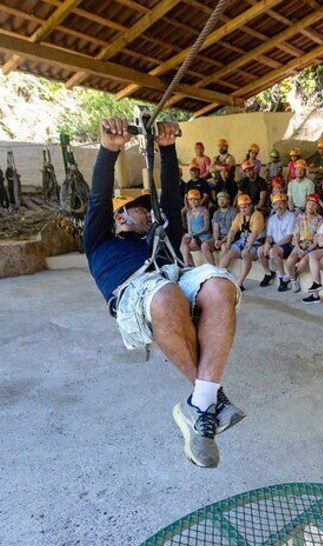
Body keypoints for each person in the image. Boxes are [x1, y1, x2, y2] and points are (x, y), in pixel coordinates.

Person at [84, 118, 242, 469]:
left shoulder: (160, 237)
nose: (144, 212)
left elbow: (170, 198)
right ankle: (210, 398)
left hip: (171, 276)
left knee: (220, 284)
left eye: (144, 209)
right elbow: (97, 198)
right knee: (166, 294)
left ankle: (200, 403)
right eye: (137, 209)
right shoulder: (99, 242)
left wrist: (168, 149)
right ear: (120, 216)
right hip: (136, 292)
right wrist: (109, 151)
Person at [219, 193, 265, 291]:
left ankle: (239, 283)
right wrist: (228, 243)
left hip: (255, 243)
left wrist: (247, 248)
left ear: (251, 206)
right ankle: (218, 276)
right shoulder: (240, 215)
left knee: (245, 255)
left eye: (245, 207)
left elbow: (255, 233)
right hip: (242, 241)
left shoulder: (257, 215)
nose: (243, 209)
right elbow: (232, 230)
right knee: (228, 252)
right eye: (241, 207)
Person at [283, 194, 323, 292]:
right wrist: (298, 247)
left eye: (313, 204)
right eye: (309, 203)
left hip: (311, 247)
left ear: (316, 206)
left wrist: (307, 250)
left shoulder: (319, 219)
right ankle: (293, 280)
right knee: (290, 262)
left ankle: (293, 275)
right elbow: (296, 234)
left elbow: (318, 239)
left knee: (302, 263)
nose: (311, 206)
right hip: (299, 244)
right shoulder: (300, 216)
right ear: (306, 204)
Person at [257, 193, 296, 288]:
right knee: (260, 251)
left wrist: (273, 246)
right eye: (275, 204)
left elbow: (289, 237)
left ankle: (283, 278)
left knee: (273, 252)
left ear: (286, 204)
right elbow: (269, 236)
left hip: (287, 245)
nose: (278, 206)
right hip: (275, 244)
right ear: (273, 206)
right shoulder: (272, 218)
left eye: (281, 203)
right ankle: (268, 273)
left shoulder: (291, 216)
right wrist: (267, 243)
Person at [202, 191, 237, 266]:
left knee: (224, 247)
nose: (221, 201)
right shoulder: (216, 213)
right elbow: (215, 229)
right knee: (204, 245)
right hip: (220, 238)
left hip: (231, 237)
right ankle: (213, 267)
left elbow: (233, 230)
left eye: (224, 199)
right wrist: (216, 239)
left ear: (228, 200)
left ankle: (220, 270)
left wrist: (222, 241)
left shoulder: (233, 211)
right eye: (219, 200)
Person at [180, 189, 211, 268]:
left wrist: (194, 235)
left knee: (184, 245)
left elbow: (206, 227)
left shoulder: (204, 211)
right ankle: (190, 266)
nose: (193, 202)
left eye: (195, 199)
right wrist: (191, 236)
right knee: (183, 247)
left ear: (199, 200)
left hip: (204, 238)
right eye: (190, 200)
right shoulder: (188, 213)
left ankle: (187, 265)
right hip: (194, 238)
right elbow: (189, 228)